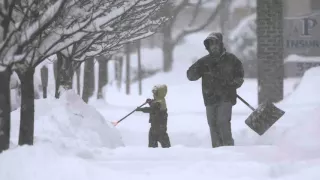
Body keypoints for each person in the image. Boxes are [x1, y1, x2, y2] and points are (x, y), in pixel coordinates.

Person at [186, 32, 244, 148]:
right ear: (208, 46)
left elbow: (240, 77)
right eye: (211, 44)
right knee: (213, 124)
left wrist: (232, 84)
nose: (214, 46)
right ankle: (217, 149)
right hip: (210, 97)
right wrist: (199, 69)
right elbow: (190, 76)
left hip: (226, 96)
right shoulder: (204, 61)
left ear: (221, 44)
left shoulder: (231, 59)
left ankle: (228, 147)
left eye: (216, 43)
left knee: (222, 122)